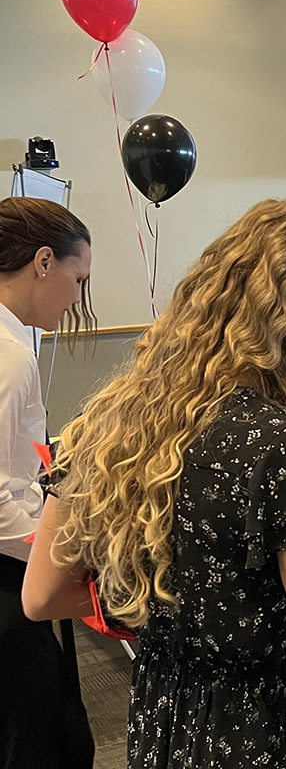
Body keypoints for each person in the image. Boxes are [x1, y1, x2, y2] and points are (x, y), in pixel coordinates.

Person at [23, 198, 286, 769]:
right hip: (268, 735)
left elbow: (41, 595)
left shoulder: (111, 419)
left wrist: (172, 610)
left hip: (164, 719)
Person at [0, 196, 95, 769]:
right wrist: (61, 558)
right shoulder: (9, 356)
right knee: (32, 740)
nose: (79, 297)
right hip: (7, 583)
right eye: (77, 276)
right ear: (43, 262)